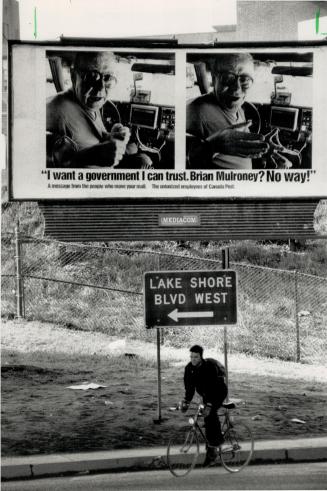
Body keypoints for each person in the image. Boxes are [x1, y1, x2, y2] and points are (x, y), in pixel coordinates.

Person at [46, 51, 152, 169]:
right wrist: (90, 156)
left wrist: (110, 137)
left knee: (143, 159)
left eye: (107, 78)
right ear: (73, 76)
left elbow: (87, 138)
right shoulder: (54, 108)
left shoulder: (89, 103)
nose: (100, 87)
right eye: (91, 76)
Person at [186, 53, 269, 169]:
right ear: (214, 79)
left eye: (245, 80)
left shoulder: (239, 108)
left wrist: (264, 147)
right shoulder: (195, 110)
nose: (237, 88)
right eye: (227, 78)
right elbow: (185, 160)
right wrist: (212, 146)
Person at [182, 345, 228, 467]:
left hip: (218, 392)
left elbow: (213, 387)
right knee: (204, 415)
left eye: (196, 357)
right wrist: (186, 401)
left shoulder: (209, 367)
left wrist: (209, 404)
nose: (193, 359)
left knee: (210, 413)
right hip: (206, 394)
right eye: (191, 356)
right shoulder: (189, 368)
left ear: (201, 356)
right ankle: (211, 444)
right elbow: (189, 387)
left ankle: (214, 448)